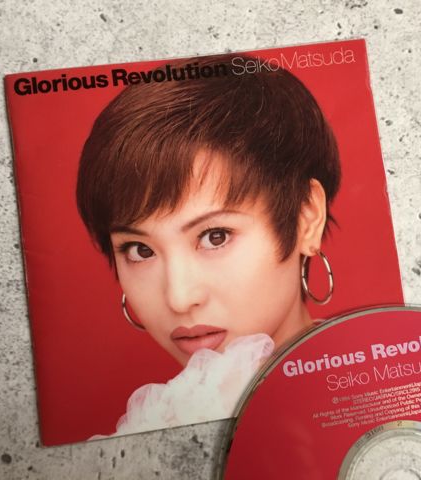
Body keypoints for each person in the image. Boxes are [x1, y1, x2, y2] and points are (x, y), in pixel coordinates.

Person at [76, 53, 341, 435]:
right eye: (140, 250)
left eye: (215, 237)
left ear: (306, 217)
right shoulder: (155, 423)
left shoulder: (383, 384)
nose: (179, 298)